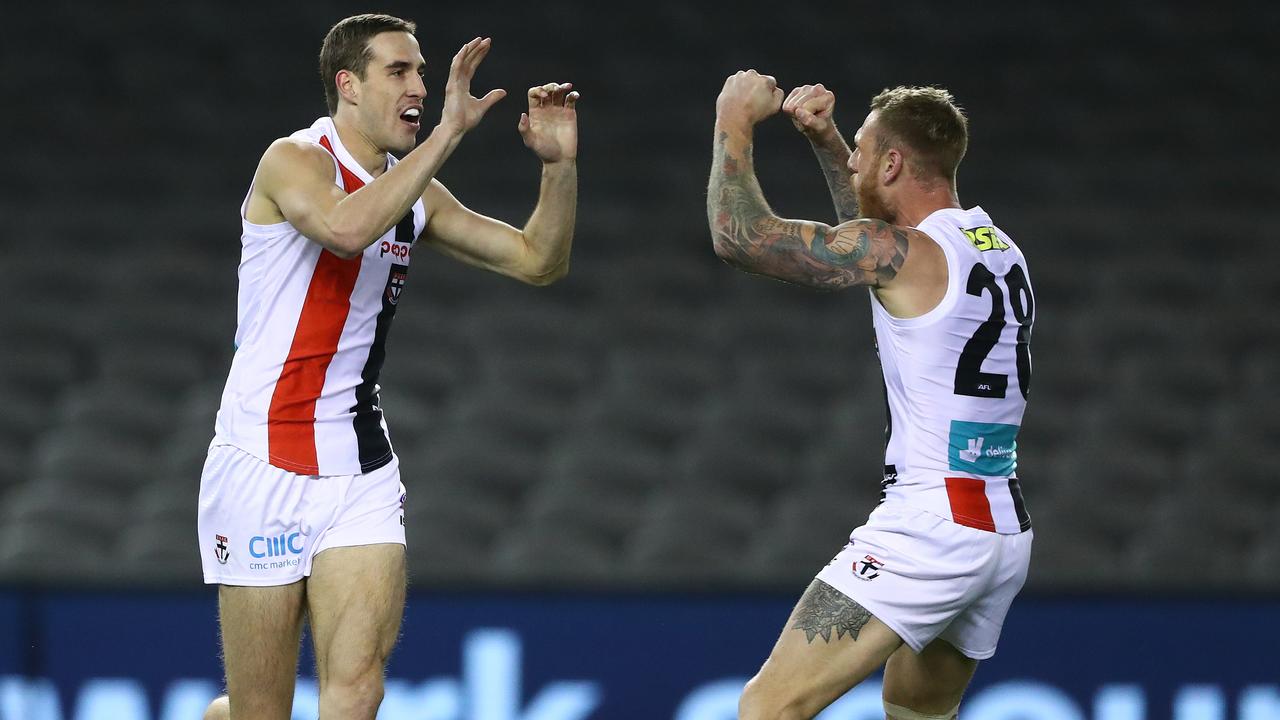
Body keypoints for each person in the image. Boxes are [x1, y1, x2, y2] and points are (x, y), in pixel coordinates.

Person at [197, 13, 578, 720]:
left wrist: (558, 169)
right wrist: (449, 134)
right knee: (260, 712)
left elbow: (539, 261)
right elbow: (344, 230)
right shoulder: (293, 161)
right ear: (348, 85)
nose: (421, 86)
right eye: (399, 71)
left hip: (360, 466)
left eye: (423, 73)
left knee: (358, 690)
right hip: (261, 459)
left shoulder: (413, 194)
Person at [707, 73, 1035, 719]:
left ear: (891, 162)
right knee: (915, 714)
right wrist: (828, 141)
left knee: (767, 709)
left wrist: (733, 119)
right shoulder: (996, 249)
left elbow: (739, 238)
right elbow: (877, 245)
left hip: (931, 524)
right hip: (999, 524)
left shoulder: (906, 255)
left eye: (860, 149)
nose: (852, 161)